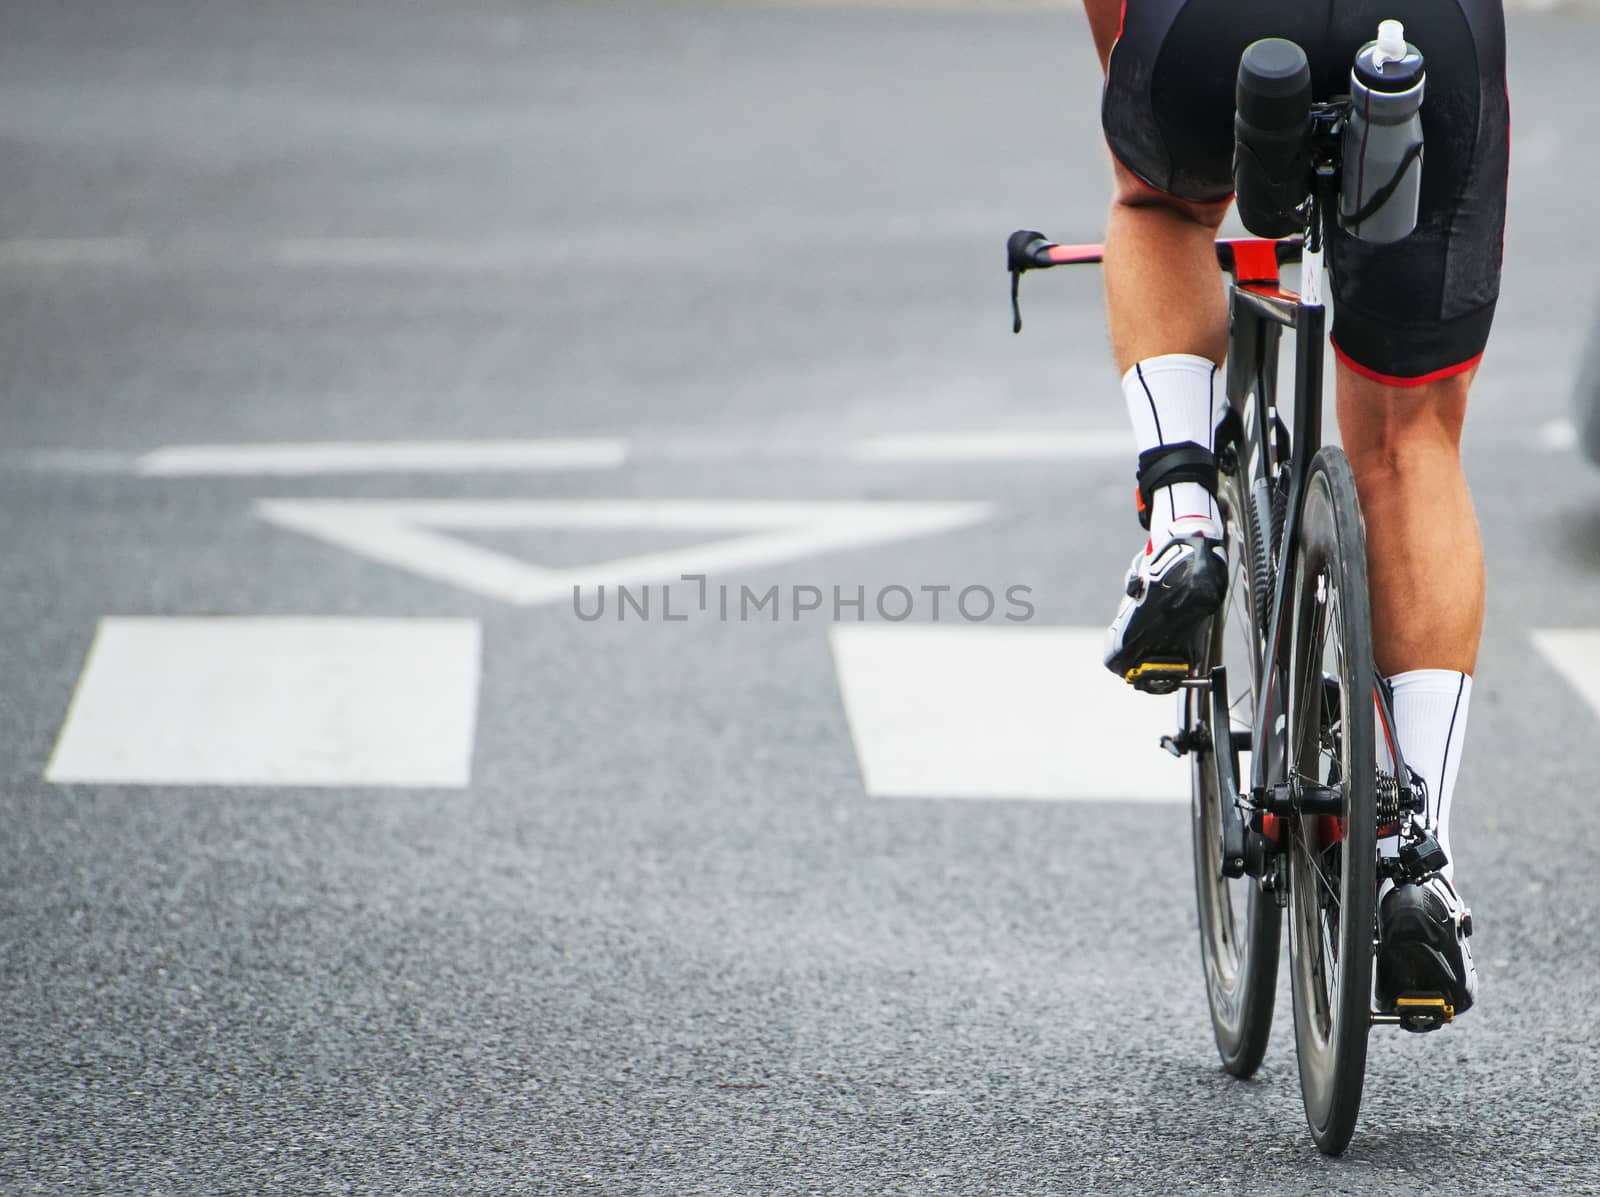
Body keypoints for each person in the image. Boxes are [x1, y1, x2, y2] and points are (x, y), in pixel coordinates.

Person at [1086, 0, 1506, 1017]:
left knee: (1159, 207)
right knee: (1410, 445)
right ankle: (1419, 862)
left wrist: (1137, 93)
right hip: (1421, 31)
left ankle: (1182, 511)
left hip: (1214, 21)